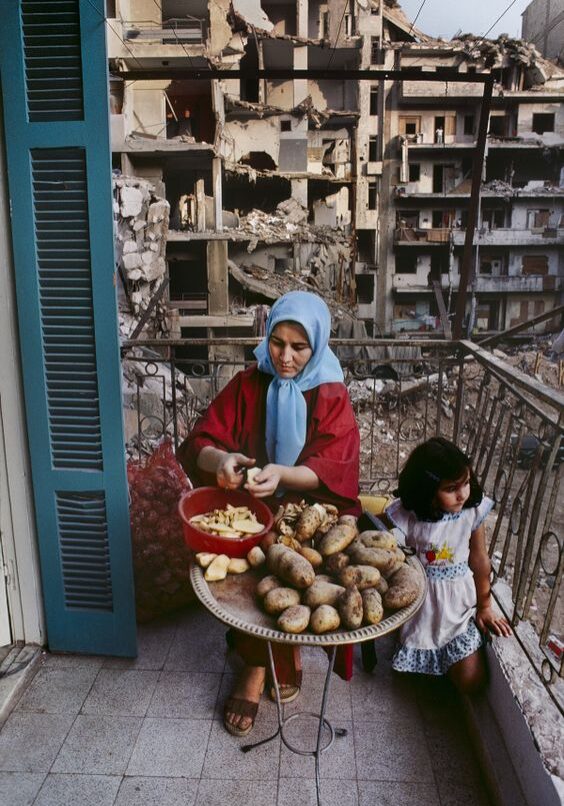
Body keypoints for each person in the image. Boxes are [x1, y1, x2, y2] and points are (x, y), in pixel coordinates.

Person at [177, 290, 361, 735]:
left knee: (298, 571)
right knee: (256, 563)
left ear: (318, 346)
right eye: (277, 342)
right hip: (253, 507)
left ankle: (273, 657)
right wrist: (221, 463)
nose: (285, 357)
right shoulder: (248, 383)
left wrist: (282, 475)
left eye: (300, 347)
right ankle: (259, 664)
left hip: (313, 509)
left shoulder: (331, 394)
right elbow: (200, 442)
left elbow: (333, 469)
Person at [385, 437, 511, 693]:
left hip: (459, 607)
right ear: (427, 491)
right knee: (415, 680)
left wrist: (485, 606)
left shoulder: (471, 513)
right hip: (422, 605)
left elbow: (479, 560)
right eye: (452, 488)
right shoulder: (411, 515)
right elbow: (382, 534)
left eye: (465, 483)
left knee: (470, 679)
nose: (462, 494)